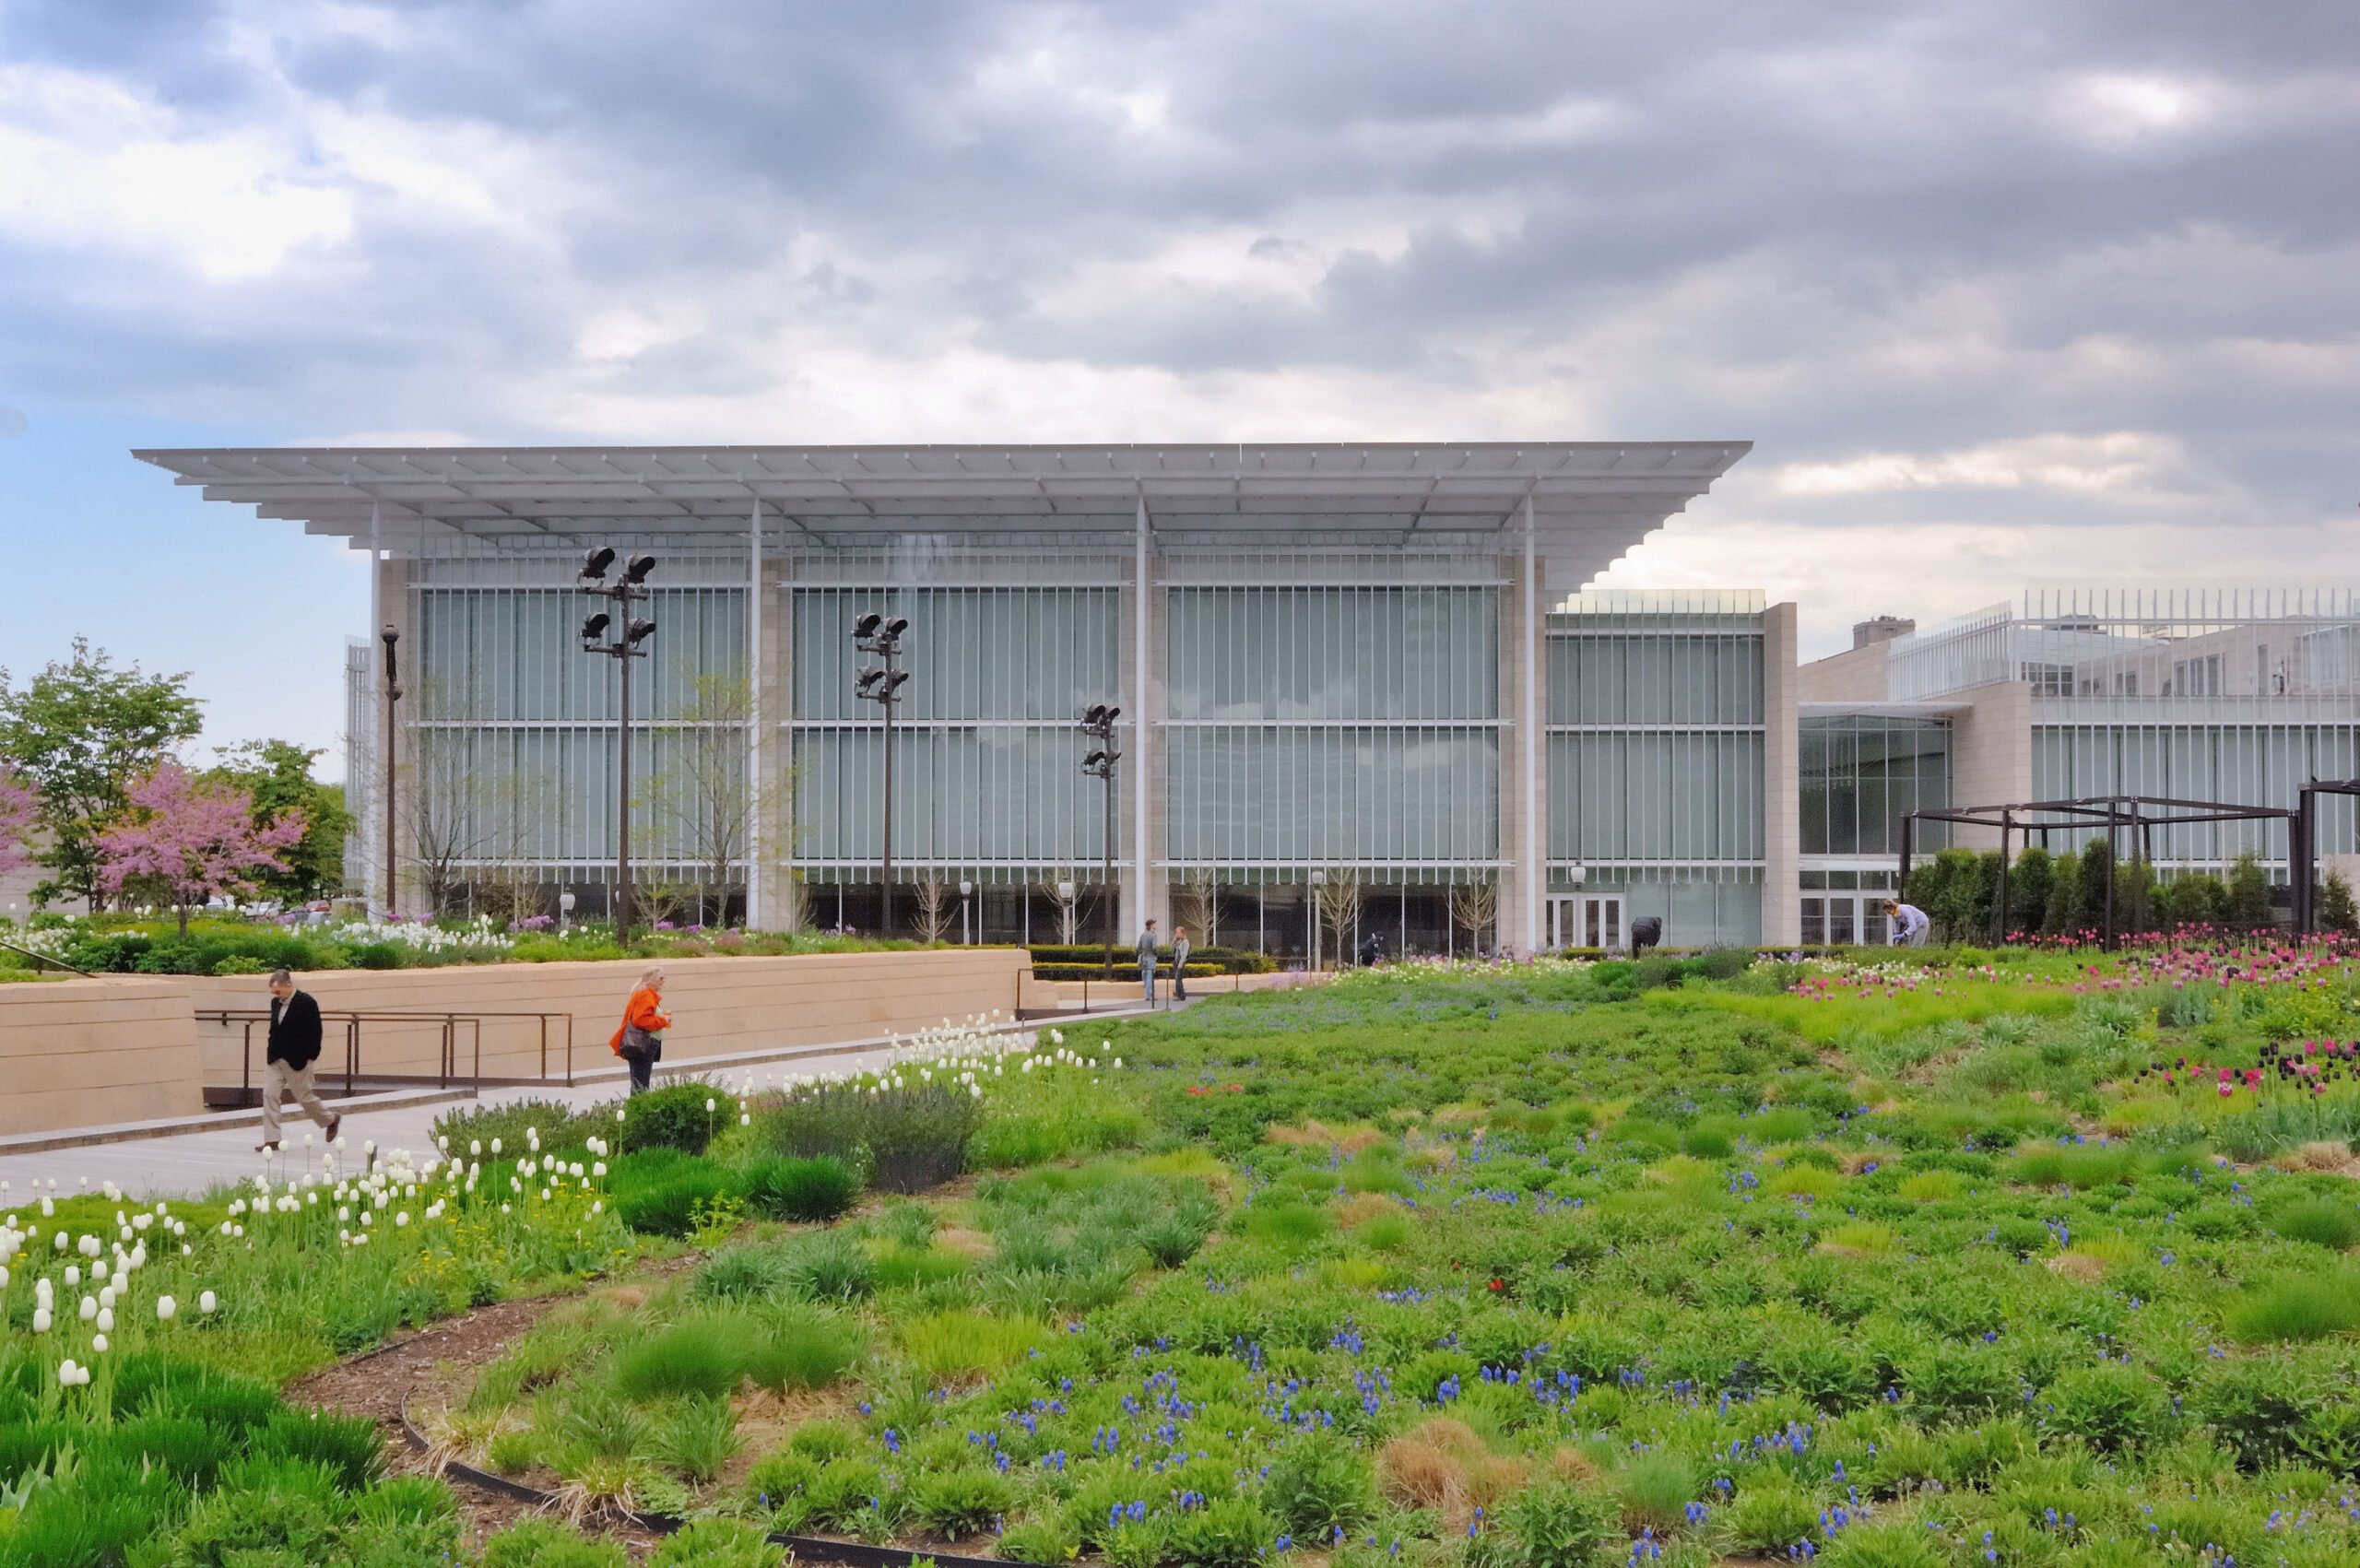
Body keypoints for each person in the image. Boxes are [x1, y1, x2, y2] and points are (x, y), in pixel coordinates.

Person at [259, 969, 338, 1152]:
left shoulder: (307, 1003)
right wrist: (271, 1051)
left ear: (288, 985)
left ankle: (330, 1120)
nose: (276, 996)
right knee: (269, 1095)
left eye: (278, 991)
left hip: (298, 1061)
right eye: (273, 992)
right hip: (275, 1059)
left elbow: (315, 1032)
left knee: (305, 1097)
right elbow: (274, 1030)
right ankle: (272, 1140)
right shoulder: (275, 1003)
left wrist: (310, 1056)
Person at [610, 966, 673, 1094]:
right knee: (641, 1085)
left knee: (639, 1082)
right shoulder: (645, 996)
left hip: (643, 1043)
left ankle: (637, 1109)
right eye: (661, 977)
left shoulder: (645, 995)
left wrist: (662, 1019)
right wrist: (664, 1020)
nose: (663, 980)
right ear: (650, 979)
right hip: (644, 1044)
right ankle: (638, 1111)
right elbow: (641, 1020)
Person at [1136, 919, 1160, 1005]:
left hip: (1143, 957)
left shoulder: (1143, 935)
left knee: (1145, 974)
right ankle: (1149, 995)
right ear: (1151, 926)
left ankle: (1147, 992)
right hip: (1151, 958)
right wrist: (1157, 953)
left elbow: (1139, 947)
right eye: (1154, 924)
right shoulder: (1153, 936)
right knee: (1150, 976)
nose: (1155, 926)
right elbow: (1154, 948)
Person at [1171, 925, 1192, 1001]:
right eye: (1176, 932)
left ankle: (1181, 995)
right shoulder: (1178, 941)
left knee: (1178, 979)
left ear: (1182, 933)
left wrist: (1181, 963)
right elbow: (1171, 949)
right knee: (1177, 979)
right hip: (1176, 962)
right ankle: (1180, 995)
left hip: (1180, 962)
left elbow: (1184, 954)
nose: (1176, 934)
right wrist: (1174, 940)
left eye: (1178, 932)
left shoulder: (1185, 942)